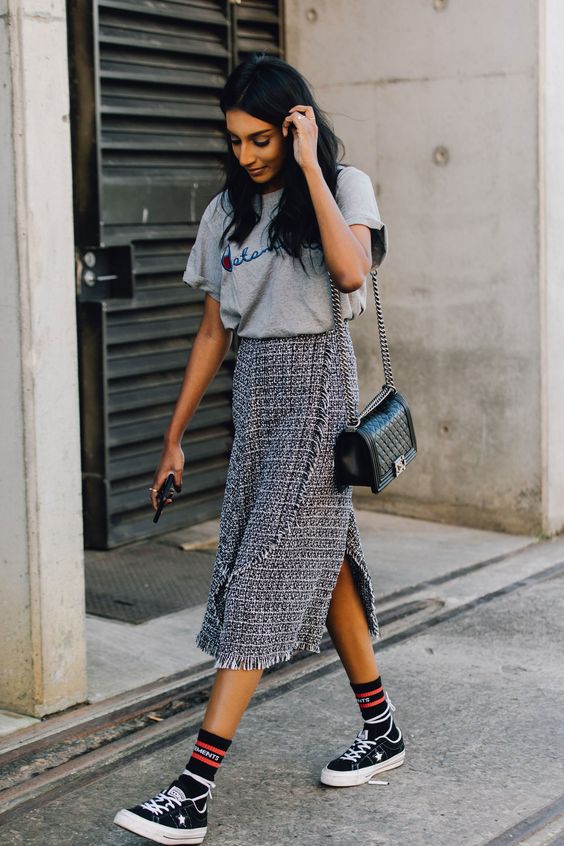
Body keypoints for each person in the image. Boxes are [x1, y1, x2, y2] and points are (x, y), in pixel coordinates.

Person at [113, 53, 404, 845]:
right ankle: (382, 731)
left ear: (293, 122)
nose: (245, 155)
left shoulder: (344, 187)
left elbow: (350, 275)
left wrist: (308, 165)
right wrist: (173, 437)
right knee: (325, 556)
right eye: (234, 141)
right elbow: (213, 329)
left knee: (262, 575)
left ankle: (194, 788)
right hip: (258, 400)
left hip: (318, 393)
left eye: (259, 139)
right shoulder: (225, 212)